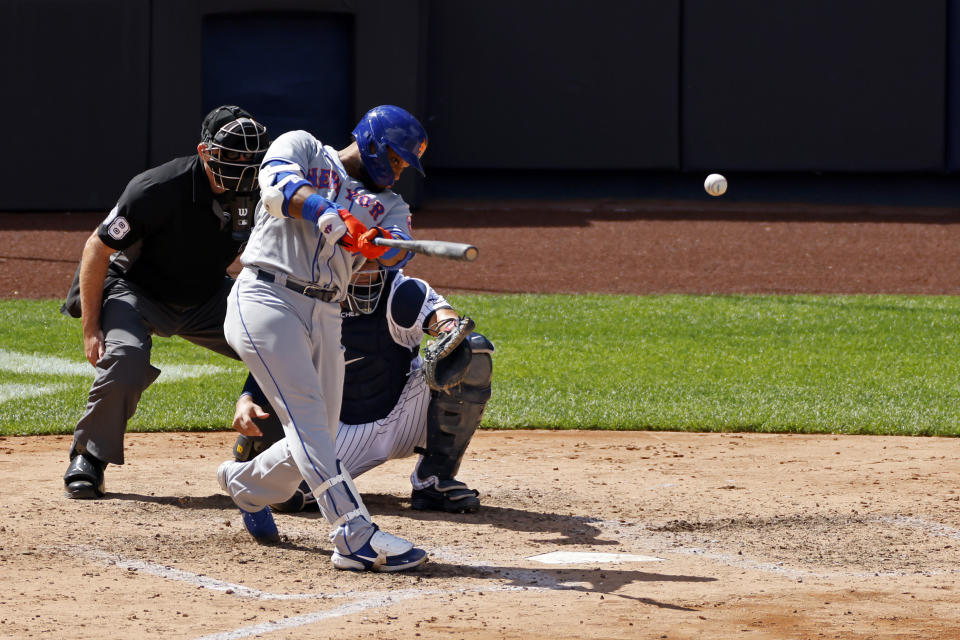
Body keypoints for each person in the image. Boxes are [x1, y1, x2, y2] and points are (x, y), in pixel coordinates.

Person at [216, 105, 432, 572]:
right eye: (394, 160)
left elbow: (396, 250)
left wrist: (374, 242)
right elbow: (275, 188)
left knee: (321, 435)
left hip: (327, 312)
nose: (396, 172)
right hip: (266, 296)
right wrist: (326, 212)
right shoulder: (303, 146)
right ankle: (354, 537)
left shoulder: (389, 204)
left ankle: (246, 486)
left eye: (403, 166)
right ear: (373, 143)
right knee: (310, 421)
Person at [61, 105, 269, 499]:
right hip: (137, 293)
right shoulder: (156, 188)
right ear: (206, 153)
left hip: (206, 295)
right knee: (126, 359)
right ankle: (89, 456)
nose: (245, 169)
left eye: (252, 160)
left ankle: (259, 447)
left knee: (280, 347)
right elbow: (96, 249)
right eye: (234, 158)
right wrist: (91, 329)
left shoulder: (263, 191)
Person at [230, 260, 493, 516]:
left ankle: (435, 480)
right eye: (360, 263)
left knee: (472, 352)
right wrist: (247, 397)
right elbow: (278, 356)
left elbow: (442, 317)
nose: (367, 273)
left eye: (374, 262)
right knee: (287, 496)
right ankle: (259, 452)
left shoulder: (402, 292)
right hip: (343, 431)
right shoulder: (305, 300)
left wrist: (449, 329)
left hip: (407, 415)